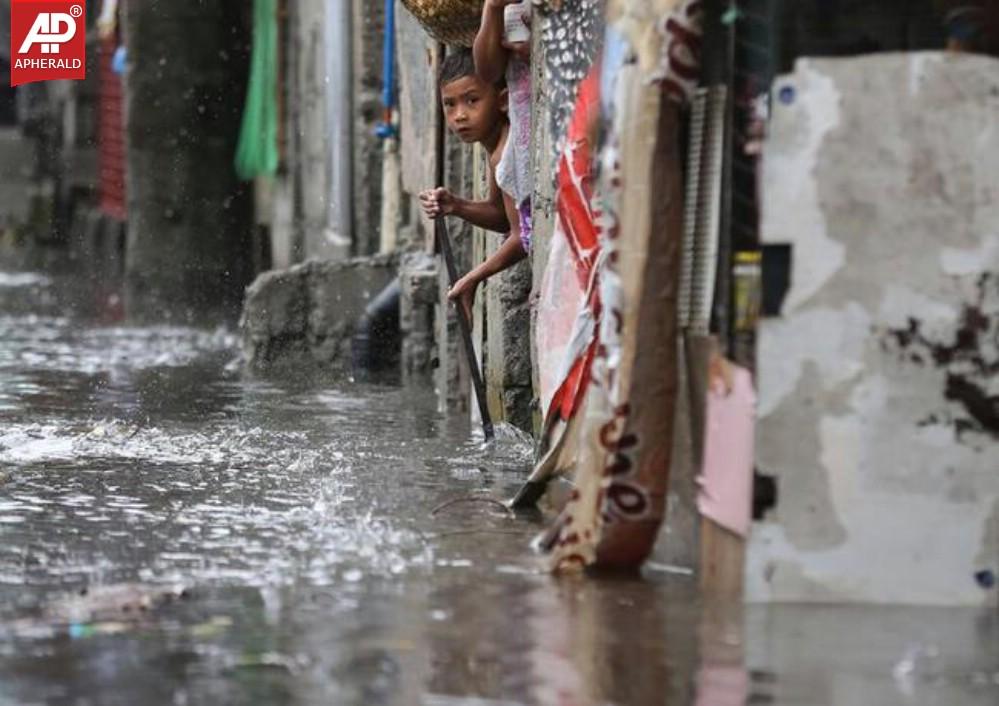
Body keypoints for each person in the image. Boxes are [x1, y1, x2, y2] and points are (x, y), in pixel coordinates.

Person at [419, 49, 527, 320]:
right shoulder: (494, 146)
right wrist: (456, 205)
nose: (460, 115)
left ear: (502, 101)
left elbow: (522, 237)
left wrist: (473, 278)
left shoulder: (505, 150)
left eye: (472, 100)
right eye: (449, 104)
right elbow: (502, 216)